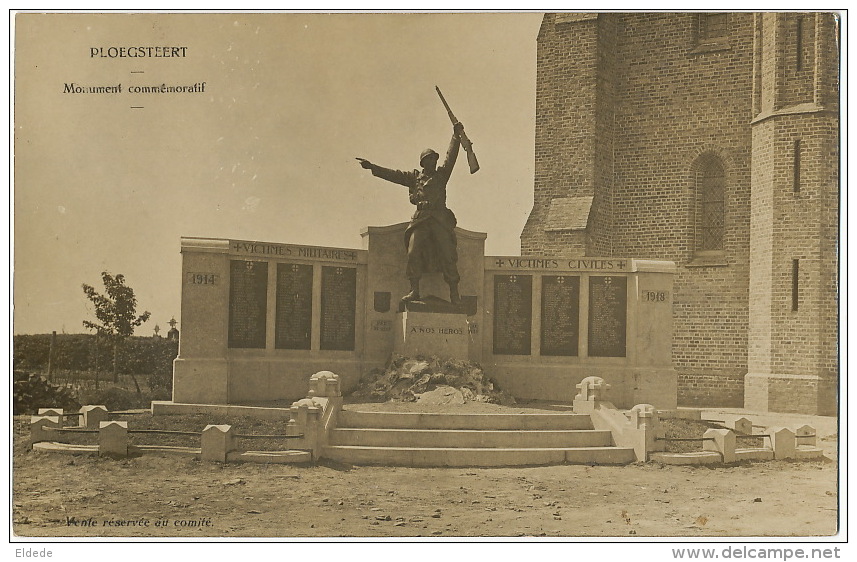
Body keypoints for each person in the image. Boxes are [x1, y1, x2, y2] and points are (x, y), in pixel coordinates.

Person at [357, 122, 466, 305]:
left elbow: (451, 158)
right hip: (421, 221)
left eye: (434, 159)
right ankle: (414, 290)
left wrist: (456, 136)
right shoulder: (414, 178)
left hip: (439, 219)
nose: (434, 162)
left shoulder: (441, 175)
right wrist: (373, 167)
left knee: (448, 253)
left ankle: (454, 293)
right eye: (430, 159)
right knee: (413, 252)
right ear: (423, 162)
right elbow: (393, 175)